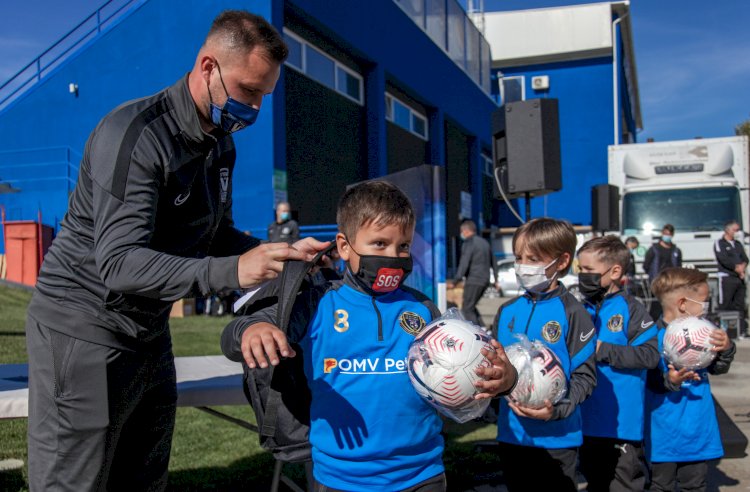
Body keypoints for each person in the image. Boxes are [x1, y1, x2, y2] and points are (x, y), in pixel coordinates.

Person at [24, 11, 329, 491]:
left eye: (263, 96)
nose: (254, 108)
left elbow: (216, 234)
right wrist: (231, 271)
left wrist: (282, 255)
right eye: (248, 91)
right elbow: (119, 263)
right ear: (208, 67)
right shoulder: (135, 135)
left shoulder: (219, 143)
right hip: (84, 328)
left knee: (144, 479)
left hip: (148, 333)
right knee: (75, 483)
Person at [222, 181, 518, 491]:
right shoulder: (316, 303)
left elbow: (466, 392)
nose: (393, 256)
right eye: (379, 244)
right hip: (340, 479)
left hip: (422, 475)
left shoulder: (422, 308)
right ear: (344, 246)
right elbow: (231, 338)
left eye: (403, 246)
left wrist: (503, 381)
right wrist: (251, 329)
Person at [491, 218, 597, 491]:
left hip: (558, 439)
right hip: (512, 436)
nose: (522, 266)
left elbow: (586, 377)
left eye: (533, 258)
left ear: (561, 262)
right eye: (518, 257)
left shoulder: (574, 313)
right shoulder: (507, 311)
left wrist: (557, 410)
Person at [576, 236, 659, 492]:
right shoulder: (579, 309)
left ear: (615, 272)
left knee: (623, 485)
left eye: (588, 270)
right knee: (595, 483)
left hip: (622, 426)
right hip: (585, 423)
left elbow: (649, 355)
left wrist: (604, 350)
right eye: (580, 270)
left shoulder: (631, 310)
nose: (582, 276)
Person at [644, 267, 735, 492]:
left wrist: (727, 349)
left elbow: (718, 369)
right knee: (660, 486)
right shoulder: (650, 338)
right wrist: (669, 380)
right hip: (662, 433)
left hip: (698, 429)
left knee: (695, 485)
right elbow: (647, 381)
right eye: (704, 301)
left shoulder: (705, 334)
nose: (707, 307)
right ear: (683, 303)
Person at [446, 219, 496, 327]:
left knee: (466, 308)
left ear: (466, 231)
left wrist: (455, 281)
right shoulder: (485, 243)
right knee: (471, 306)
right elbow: (494, 261)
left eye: (461, 231)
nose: (461, 234)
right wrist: (496, 280)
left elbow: (464, 263)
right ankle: (483, 327)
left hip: (474, 280)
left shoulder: (469, 243)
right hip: (485, 280)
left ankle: (476, 331)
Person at [714, 219, 748, 336]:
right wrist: (736, 268)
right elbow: (723, 259)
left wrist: (743, 266)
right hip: (726, 278)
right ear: (728, 230)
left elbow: (745, 258)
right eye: (735, 230)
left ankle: (741, 331)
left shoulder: (738, 244)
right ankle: (723, 330)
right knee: (725, 304)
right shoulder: (720, 243)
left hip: (740, 278)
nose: (737, 232)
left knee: (740, 304)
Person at [643, 224, 682, 319]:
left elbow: (679, 266)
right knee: (656, 306)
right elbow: (646, 265)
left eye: (669, 234)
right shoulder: (654, 249)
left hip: (671, 283)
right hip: (657, 282)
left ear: (672, 235)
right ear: (662, 233)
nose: (667, 236)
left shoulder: (676, 250)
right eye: (665, 234)